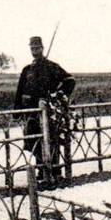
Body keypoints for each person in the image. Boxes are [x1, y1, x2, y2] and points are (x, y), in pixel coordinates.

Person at [14, 36, 76, 179]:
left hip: (48, 111)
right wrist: (17, 111)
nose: (35, 51)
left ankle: (55, 170)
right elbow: (19, 90)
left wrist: (59, 95)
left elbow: (70, 80)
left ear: (43, 48)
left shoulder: (51, 67)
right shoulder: (27, 70)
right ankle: (41, 169)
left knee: (51, 139)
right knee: (34, 140)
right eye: (32, 48)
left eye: (37, 48)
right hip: (31, 112)